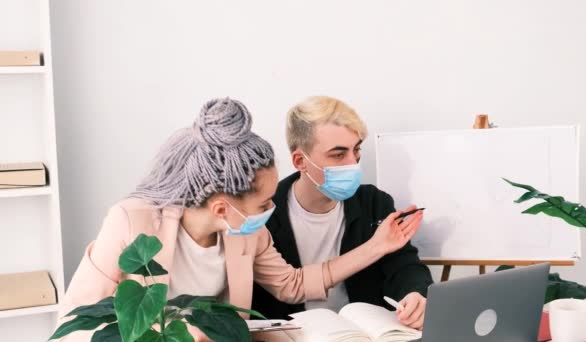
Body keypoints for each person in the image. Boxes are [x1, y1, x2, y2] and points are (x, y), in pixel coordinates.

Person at [57, 98, 420, 341]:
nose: (271, 209)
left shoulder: (246, 232)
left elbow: (293, 285)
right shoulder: (130, 223)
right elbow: (74, 324)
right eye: (263, 203)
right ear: (220, 208)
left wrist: (377, 246)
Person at [252, 96, 433, 330]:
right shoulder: (264, 212)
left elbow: (405, 265)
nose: (353, 163)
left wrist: (415, 295)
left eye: (356, 150)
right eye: (338, 154)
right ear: (300, 161)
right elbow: (283, 288)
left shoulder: (374, 203)